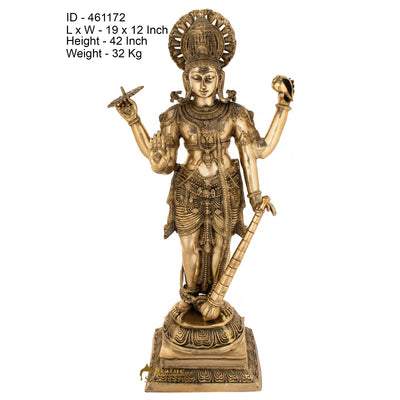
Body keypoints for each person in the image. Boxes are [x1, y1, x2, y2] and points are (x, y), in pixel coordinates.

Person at [114, 10, 293, 311]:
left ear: (220, 78)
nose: (203, 84)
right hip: (188, 188)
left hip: (226, 187)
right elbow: (163, 163)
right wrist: (134, 121)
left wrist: (282, 107)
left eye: (209, 78)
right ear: (186, 79)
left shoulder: (234, 113)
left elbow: (256, 151)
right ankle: (192, 297)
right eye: (196, 78)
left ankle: (213, 303)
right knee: (190, 252)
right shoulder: (176, 115)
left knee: (221, 249)